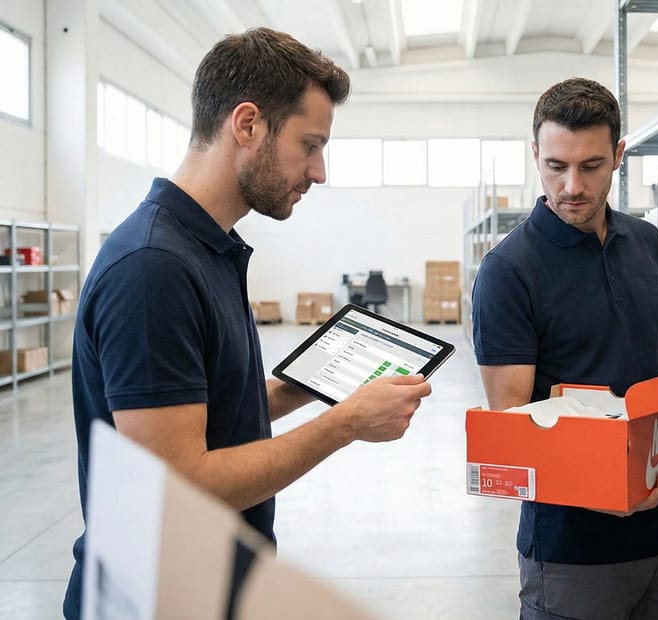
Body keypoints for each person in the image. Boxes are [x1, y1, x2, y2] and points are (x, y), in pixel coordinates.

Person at [64, 28, 432, 619]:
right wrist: (343, 424)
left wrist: (301, 387)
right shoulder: (155, 267)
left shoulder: (208, 248)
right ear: (247, 125)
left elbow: (208, 419)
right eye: (309, 145)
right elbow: (178, 485)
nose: (319, 172)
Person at [472, 77, 658, 619]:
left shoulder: (647, 242)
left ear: (619, 156)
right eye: (556, 166)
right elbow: (511, 418)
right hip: (573, 551)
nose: (571, 186)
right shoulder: (508, 271)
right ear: (535, 154)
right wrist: (602, 487)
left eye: (591, 166)